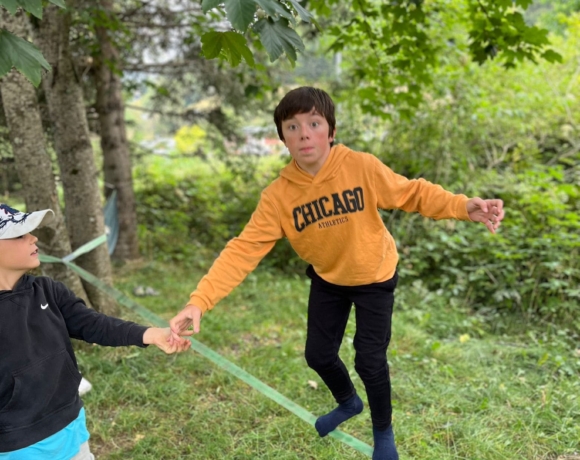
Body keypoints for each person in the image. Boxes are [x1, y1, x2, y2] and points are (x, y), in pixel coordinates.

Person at [169, 87, 505, 460]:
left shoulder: (360, 167)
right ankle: (348, 403)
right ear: (282, 138)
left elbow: (411, 193)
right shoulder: (279, 196)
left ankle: (383, 433)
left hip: (375, 276)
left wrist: (462, 206)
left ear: (330, 131)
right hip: (329, 279)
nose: (304, 134)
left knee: (369, 360)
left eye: (314, 124)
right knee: (318, 354)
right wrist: (199, 301)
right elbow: (244, 249)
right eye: (292, 127)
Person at [0, 204, 191, 459]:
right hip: (17, 443)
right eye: (20, 234)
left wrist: (151, 334)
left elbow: (93, 324)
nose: (34, 238)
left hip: (70, 423)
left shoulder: (48, 290)